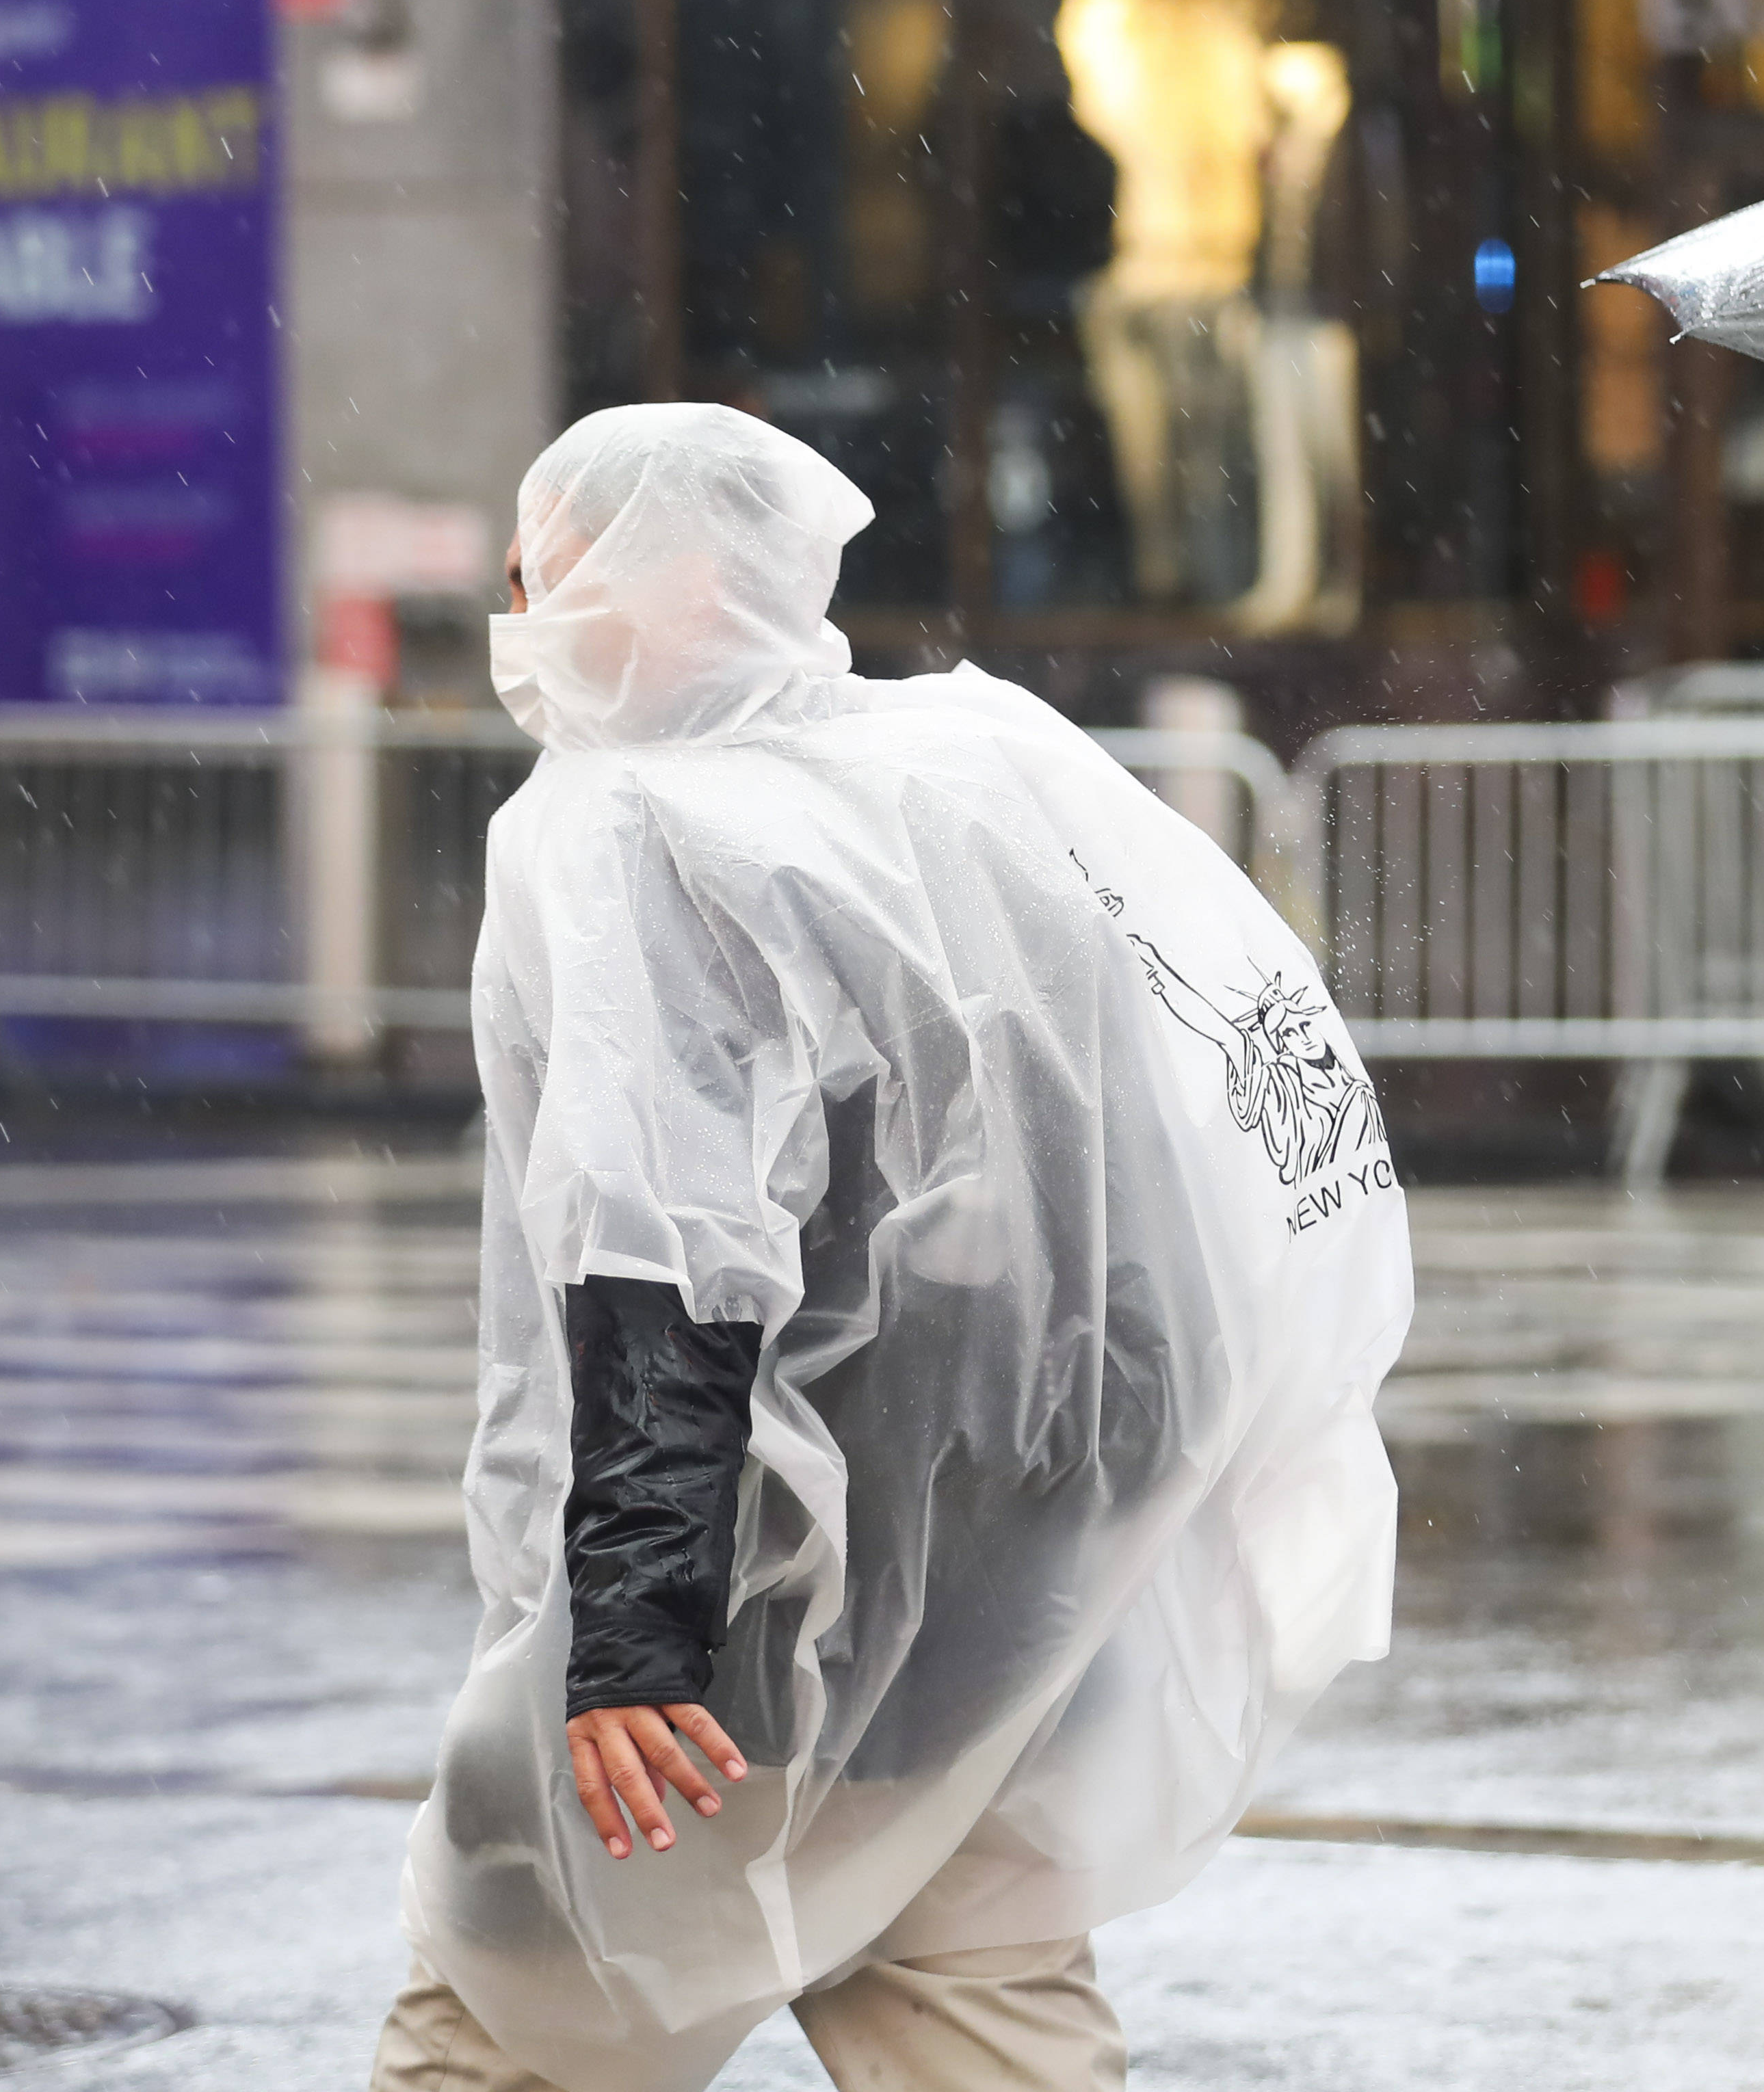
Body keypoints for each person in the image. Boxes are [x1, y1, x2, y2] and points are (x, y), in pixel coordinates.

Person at [375, 404, 1409, 2092]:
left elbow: (667, 1257)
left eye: (545, 569)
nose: (516, 614)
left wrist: (631, 1635)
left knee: (509, 2017)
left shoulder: (634, 826)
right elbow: (1144, 1210)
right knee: (981, 2003)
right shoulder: (972, 780)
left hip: (727, 1645)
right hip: (993, 1620)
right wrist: (1068, 1553)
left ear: (686, 578)